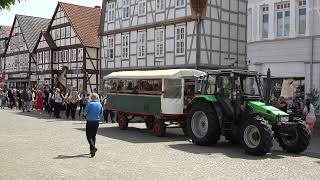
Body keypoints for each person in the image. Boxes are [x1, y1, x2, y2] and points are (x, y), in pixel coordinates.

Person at [83, 93, 103, 158]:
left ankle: (93, 148)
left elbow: (85, 113)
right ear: (97, 98)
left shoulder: (89, 104)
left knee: (88, 136)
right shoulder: (100, 104)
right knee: (93, 136)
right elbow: (101, 113)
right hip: (97, 121)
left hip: (90, 121)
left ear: (91, 98)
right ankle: (92, 152)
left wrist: (86, 114)